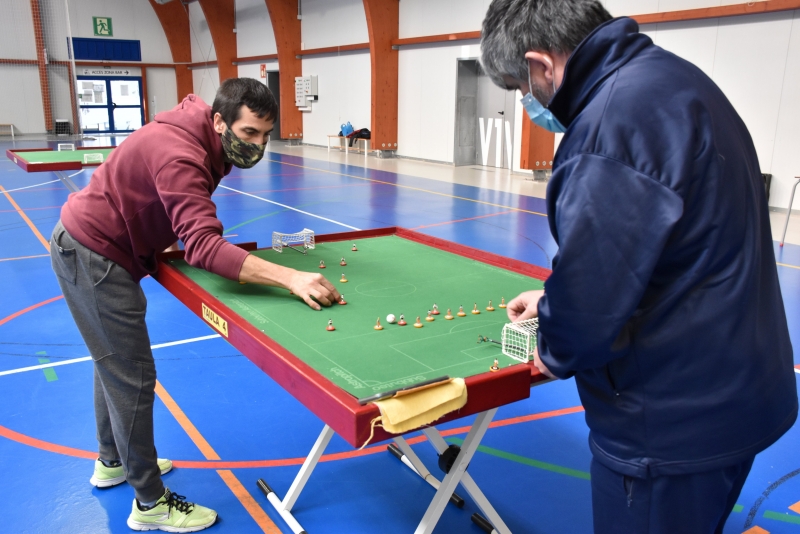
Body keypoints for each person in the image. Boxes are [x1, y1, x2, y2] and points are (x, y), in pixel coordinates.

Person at [481, 1, 798, 532]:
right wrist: (552, 297)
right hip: (738, 392)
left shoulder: (608, 127)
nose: (526, 101)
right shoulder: (675, 80)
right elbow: (663, 248)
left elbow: (590, 303)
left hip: (669, 424)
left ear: (541, 66)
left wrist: (551, 343)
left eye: (519, 88)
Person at [50, 78, 340, 532]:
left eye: (266, 135)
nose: (258, 145)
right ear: (220, 121)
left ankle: (112, 461)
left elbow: (173, 211)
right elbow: (203, 245)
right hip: (96, 254)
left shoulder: (203, 135)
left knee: (111, 363)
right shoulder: (181, 153)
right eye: (249, 134)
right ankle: (149, 505)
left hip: (98, 246)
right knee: (132, 376)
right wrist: (290, 277)